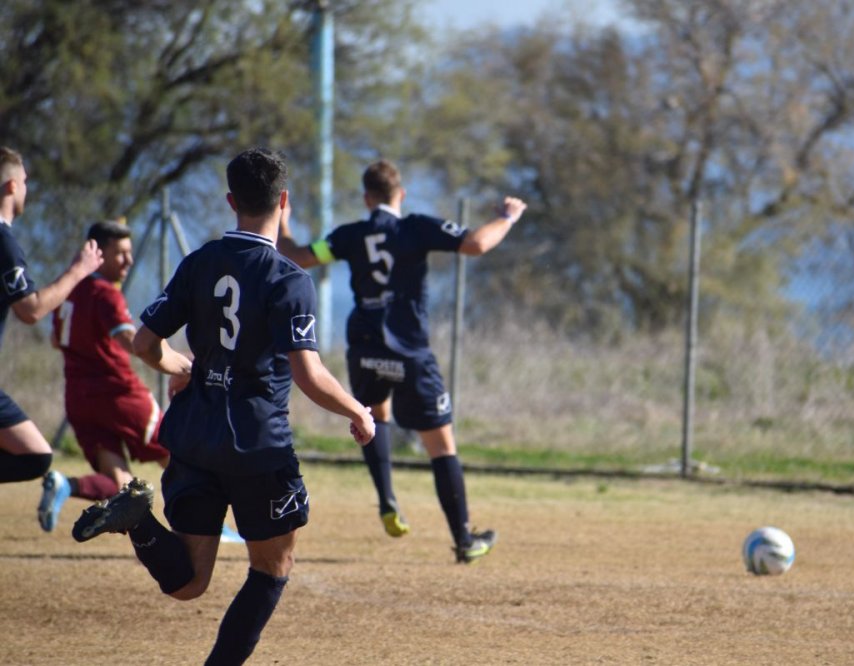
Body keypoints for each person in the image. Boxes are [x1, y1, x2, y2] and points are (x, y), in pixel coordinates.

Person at [71, 147, 375, 665]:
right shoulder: (288, 279)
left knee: (188, 581)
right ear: (285, 201)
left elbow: (144, 343)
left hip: (193, 437)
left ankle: (139, 522)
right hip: (256, 445)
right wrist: (357, 410)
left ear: (232, 200)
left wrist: (180, 368)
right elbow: (308, 372)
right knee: (272, 569)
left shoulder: (201, 262)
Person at [277, 158, 526, 563]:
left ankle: (387, 498)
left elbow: (298, 255)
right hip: (408, 350)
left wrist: (284, 222)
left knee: (374, 415)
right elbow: (477, 244)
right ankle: (464, 538)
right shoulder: (416, 227)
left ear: (366, 198)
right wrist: (507, 217)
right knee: (441, 445)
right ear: (402, 195)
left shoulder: (349, 235)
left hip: (365, 348)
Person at [37, 220, 243, 543]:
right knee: (179, 454)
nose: (128, 261)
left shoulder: (68, 293)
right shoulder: (106, 294)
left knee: (120, 482)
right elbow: (129, 340)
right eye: (121, 254)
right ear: (98, 254)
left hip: (78, 399)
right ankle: (209, 528)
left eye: (130, 253)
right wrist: (176, 361)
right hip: (118, 395)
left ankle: (66, 484)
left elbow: (54, 339)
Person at [0, 146, 103, 485]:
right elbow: (31, 310)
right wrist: (78, 270)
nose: (28, 188)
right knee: (36, 457)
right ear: (12, 186)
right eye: (25, 180)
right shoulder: (4, 242)